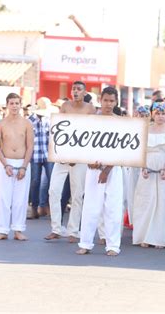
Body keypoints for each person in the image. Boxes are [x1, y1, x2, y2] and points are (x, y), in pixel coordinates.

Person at [45, 81, 96, 242]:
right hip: (63, 156)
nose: (75, 92)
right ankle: (56, 228)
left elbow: (91, 133)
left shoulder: (90, 109)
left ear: (84, 92)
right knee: (53, 191)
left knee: (77, 195)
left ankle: (73, 231)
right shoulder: (65, 106)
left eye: (79, 89)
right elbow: (59, 130)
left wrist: (79, 155)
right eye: (73, 89)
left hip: (80, 156)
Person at [76, 87, 124, 256]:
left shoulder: (121, 122)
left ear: (116, 102)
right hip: (93, 169)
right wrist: (89, 161)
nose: (108, 104)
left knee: (113, 207)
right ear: (100, 101)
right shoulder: (91, 120)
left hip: (114, 169)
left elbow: (123, 149)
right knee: (90, 206)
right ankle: (85, 243)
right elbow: (84, 144)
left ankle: (112, 246)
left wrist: (107, 169)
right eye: (105, 100)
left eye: (112, 101)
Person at [132, 102, 165, 249]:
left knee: (163, 201)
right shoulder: (145, 129)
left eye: (163, 113)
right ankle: (144, 236)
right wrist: (143, 166)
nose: (160, 116)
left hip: (164, 166)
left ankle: (159, 238)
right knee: (145, 200)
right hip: (147, 166)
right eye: (157, 113)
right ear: (152, 114)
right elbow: (139, 150)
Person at [0, 93, 34, 241]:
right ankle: (2, 230)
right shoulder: (1, 124)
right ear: (7, 105)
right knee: (3, 198)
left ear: (20, 104)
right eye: (12, 103)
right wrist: (5, 164)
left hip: (22, 163)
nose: (15, 106)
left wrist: (24, 166)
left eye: (17, 103)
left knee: (20, 199)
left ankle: (18, 230)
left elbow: (30, 147)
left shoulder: (27, 123)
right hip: (6, 163)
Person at [28, 103, 52, 219]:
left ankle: (48, 206)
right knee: (35, 182)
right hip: (35, 154)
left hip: (49, 154)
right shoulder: (30, 120)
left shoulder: (52, 119)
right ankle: (34, 208)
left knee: (51, 182)